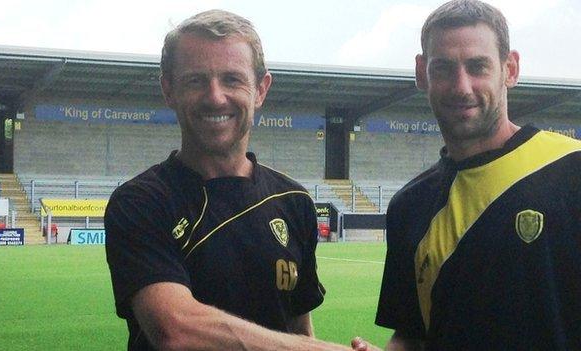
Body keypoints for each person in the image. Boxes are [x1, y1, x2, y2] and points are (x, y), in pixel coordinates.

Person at [104, 9, 378, 351]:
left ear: (260, 90)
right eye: (195, 80)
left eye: (232, 79)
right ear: (168, 90)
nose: (215, 97)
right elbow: (176, 331)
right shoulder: (141, 201)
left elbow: (298, 331)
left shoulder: (294, 201)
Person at [370, 0, 581, 350]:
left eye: (477, 67)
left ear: (509, 69)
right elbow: (412, 336)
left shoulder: (571, 169)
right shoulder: (410, 206)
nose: (462, 86)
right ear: (422, 72)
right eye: (444, 69)